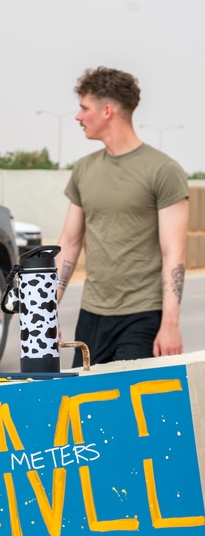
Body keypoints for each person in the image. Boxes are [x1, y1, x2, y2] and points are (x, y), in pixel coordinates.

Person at [55, 67, 189, 367]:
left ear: (106, 111)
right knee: (84, 406)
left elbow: (174, 253)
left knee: (129, 410)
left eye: (84, 108)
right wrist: (46, 311)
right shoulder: (84, 169)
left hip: (142, 315)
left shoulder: (163, 170)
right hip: (92, 315)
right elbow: (70, 242)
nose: (78, 116)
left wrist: (170, 324)